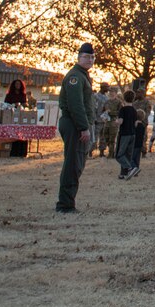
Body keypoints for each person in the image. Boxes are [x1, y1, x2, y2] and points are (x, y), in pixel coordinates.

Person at [55, 45, 96, 213]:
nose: (90, 60)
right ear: (79, 57)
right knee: (73, 164)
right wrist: (83, 127)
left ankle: (67, 201)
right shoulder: (75, 77)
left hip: (77, 124)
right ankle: (65, 204)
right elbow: (76, 105)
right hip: (74, 124)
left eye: (92, 57)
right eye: (86, 57)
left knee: (77, 163)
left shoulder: (82, 76)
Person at [3, 73, 32, 157]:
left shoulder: (23, 95)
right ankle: (13, 152)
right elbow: (6, 104)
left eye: (19, 84)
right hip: (12, 115)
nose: (18, 85)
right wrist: (13, 105)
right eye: (16, 84)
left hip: (21, 116)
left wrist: (21, 105)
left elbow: (25, 104)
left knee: (23, 133)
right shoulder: (9, 95)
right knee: (14, 134)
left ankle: (22, 152)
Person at [116, 92, 143, 179]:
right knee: (127, 155)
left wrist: (116, 121)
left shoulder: (123, 109)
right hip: (132, 134)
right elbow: (135, 124)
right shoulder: (134, 110)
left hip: (124, 134)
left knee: (119, 155)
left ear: (124, 98)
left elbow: (121, 121)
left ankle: (131, 168)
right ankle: (123, 174)